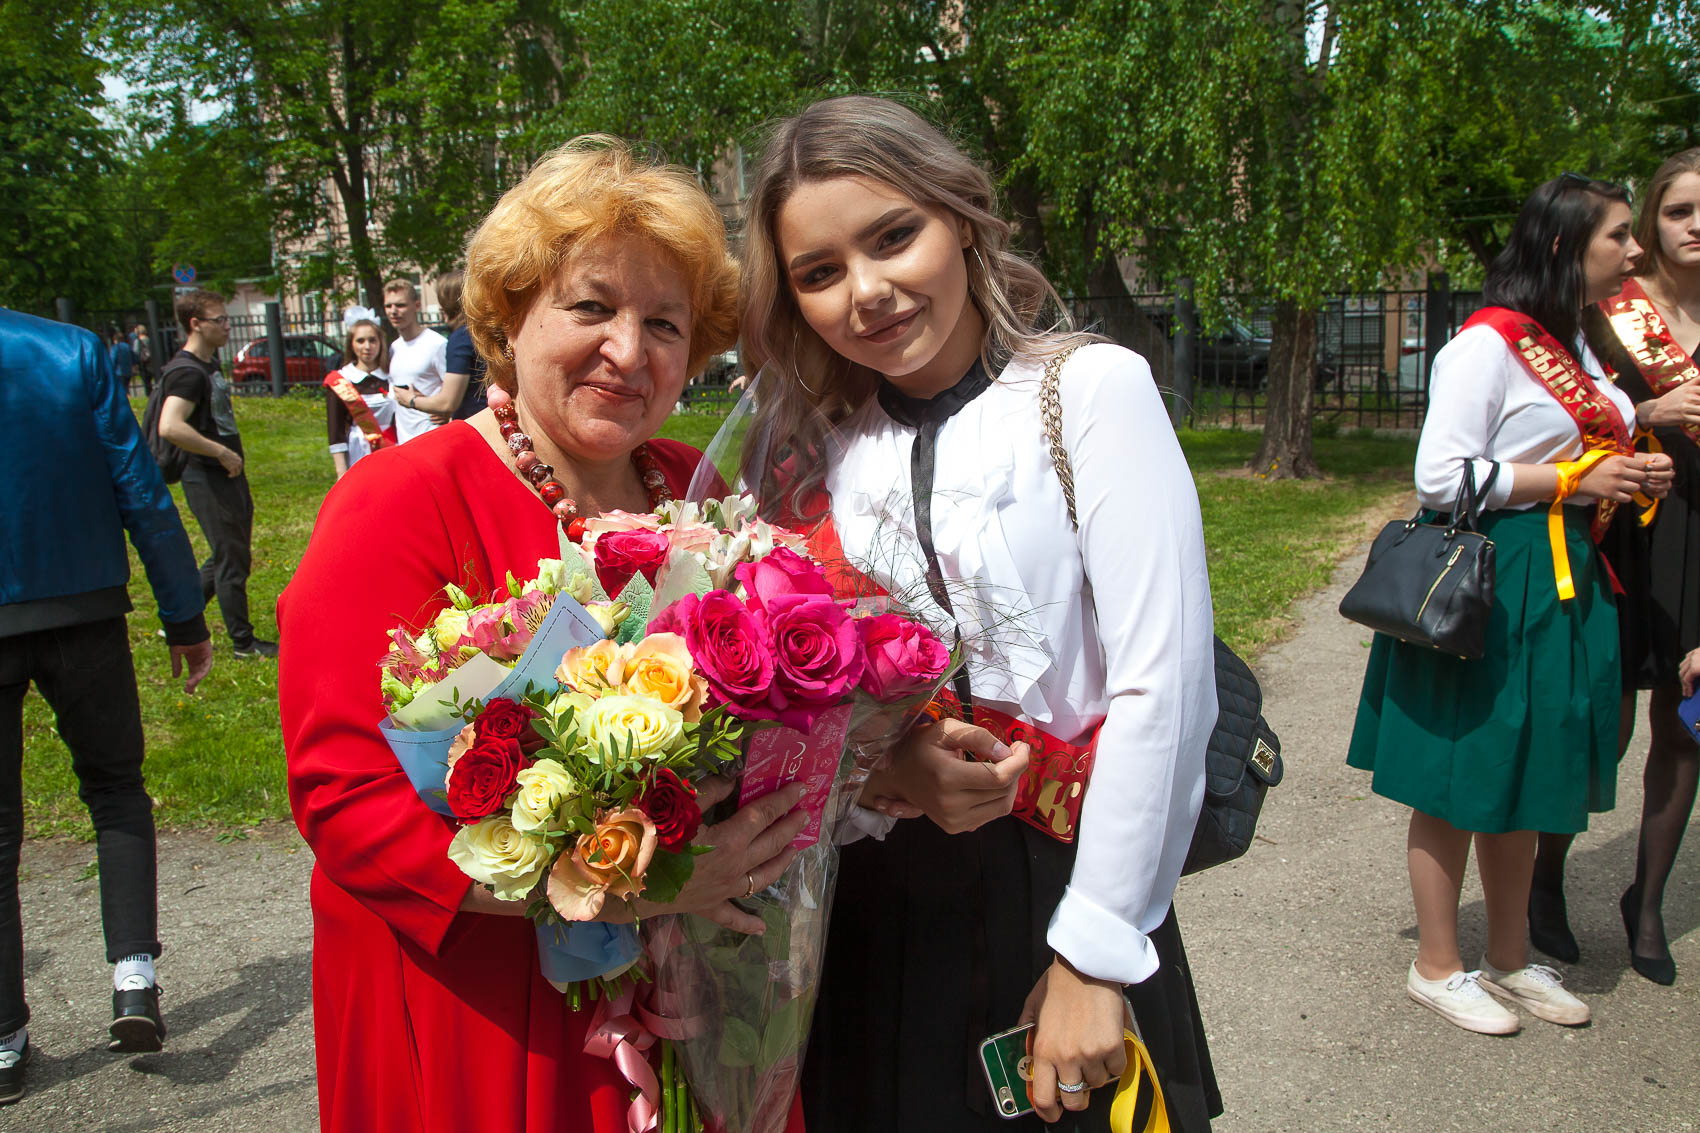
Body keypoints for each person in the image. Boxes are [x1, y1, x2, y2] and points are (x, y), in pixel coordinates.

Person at [279, 136, 810, 1133]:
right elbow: (346, 802)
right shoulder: (398, 502)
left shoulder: (701, 488)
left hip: (694, 993)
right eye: (592, 306)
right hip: (488, 1008)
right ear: (510, 312)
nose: (629, 350)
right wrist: (632, 891)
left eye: (665, 323)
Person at [739, 96, 1221, 1132]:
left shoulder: (1087, 391)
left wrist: (1094, 953)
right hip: (874, 910)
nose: (866, 291)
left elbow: (1167, 685)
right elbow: (796, 702)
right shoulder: (811, 449)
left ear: (959, 218)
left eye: (892, 236)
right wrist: (885, 769)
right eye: (819, 273)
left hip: (1064, 883)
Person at [1347, 174, 1674, 1035]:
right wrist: (1572, 479)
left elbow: (1576, 449)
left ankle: (1507, 955)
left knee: (1530, 767)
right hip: (1496, 574)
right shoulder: (1487, 344)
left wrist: (1628, 470)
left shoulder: (1575, 343)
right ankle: (1436, 964)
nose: (1635, 249)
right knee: (1459, 769)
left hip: (1562, 573)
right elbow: (1439, 475)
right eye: (1617, 235)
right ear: (1564, 244)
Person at [0, 307, 215, 1105]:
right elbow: (138, 483)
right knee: (117, 790)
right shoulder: (72, 350)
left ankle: (5, 1036)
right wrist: (182, 611)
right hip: (86, 605)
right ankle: (134, 976)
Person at [1546, 146, 1700, 986]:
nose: (1695, 226)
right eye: (1680, 211)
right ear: (1652, 222)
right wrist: (1650, 407)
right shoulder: (1611, 312)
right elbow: (1559, 421)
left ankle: (1647, 904)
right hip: (1618, 530)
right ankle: (1544, 882)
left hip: (1698, 539)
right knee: (1600, 719)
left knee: (1685, 724)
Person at [155, 289, 277, 660]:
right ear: (196, 324)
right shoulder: (188, 373)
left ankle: (179, 619)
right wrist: (220, 452)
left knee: (226, 554)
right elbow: (170, 426)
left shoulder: (207, 365)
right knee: (231, 559)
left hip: (224, 475)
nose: (227, 326)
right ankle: (243, 643)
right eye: (219, 320)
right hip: (207, 476)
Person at [325, 309, 396, 479]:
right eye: (360, 340)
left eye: (372, 340)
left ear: (380, 342)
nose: (367, 346)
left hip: (393, 448)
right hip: (358, 452)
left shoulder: (392, 376)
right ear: (351, 344)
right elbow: (336, 432)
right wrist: (341, 473)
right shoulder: (341, 380)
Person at [383, 279, 449, 442]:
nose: (393, 311)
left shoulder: (437, 344)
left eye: (400, 305)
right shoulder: (394, 347)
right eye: (388, 306)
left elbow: (455, 392)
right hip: (404, 440)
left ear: (417, 305)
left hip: (431, 436)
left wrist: (447, 413)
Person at [415, 270, 485, 422]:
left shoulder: (461, 338)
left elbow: (448, 403)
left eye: (442, 300)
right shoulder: (483, 332)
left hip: (473, 422)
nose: (440, 307)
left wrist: (410, 400)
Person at [108, 327, 136, 394]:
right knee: (126, 387)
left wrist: (111, 370)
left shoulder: (115, 348)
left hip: (119, 371)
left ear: (115, 340)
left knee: (121, 389)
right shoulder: (127, 346)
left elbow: (112, 359)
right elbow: (134, 357)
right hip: (128, 371)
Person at [130, 323, 154, 395]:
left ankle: (149, 394)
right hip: (151, 361)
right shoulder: (149, 339)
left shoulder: (137, 341)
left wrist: (134, 364)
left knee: (146, 381)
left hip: (142, 363)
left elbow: (136, 352)